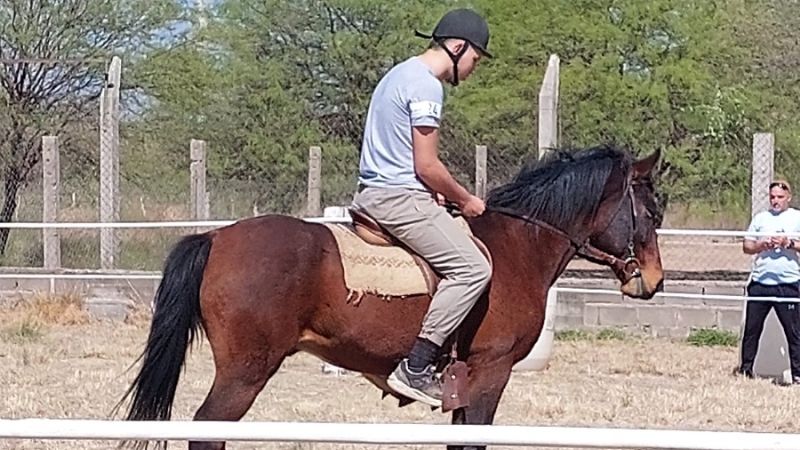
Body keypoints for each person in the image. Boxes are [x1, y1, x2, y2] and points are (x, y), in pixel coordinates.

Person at [350, 8, 494, 407]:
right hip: (397, 198)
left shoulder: (398, 74)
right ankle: (416, 366)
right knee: (473, 268)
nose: (473, 68)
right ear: (457, 46)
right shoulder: (427, 86)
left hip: (378, 189)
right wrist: (465, 199)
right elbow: (426, 165)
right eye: (475, 59)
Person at [739, 179, 800, 384]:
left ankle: (797, 374)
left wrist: (788, 243)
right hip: (761, 282)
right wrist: (761, 244)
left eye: (780, 197)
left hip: (788, 283)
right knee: (752, 330)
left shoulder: (796, 218)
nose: (776, 201)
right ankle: (746, 370)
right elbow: (747, 246)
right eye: (772, 197)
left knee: (794, 333)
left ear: (788, 198)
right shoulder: (760, 218)